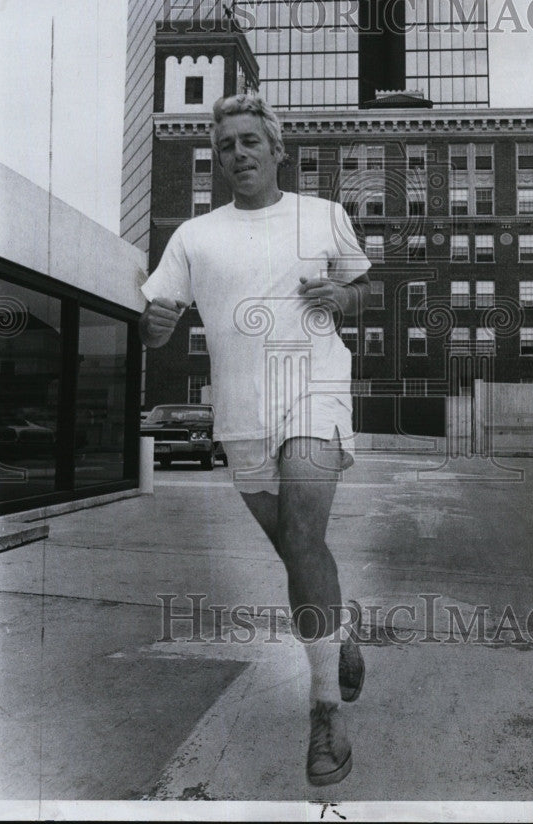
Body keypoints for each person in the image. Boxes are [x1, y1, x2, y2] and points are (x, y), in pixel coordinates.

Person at [139, 94, 371, 787]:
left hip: (314, 392)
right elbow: (160, 320)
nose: (238, 153)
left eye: (250, 141)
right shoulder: (193, 236)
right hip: (240, 415)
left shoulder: (321, 216)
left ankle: (324, 708)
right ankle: (340, 630)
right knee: (301, 555)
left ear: (276, 150)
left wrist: (343, 299)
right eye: (227, 145)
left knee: (302, 539)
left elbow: (361, 287)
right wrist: (152, 325)